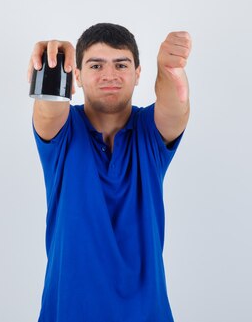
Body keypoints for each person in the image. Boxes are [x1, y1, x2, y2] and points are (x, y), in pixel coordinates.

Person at [27, 22, 191, 322]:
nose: (109, 75)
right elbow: (47, 110)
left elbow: (174, 108)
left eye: (121, 64)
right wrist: (52, 68)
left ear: (138, 73)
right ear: (76, 75)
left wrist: (169, 70)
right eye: (96, 65)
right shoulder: (64, 130)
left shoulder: (149, 131)